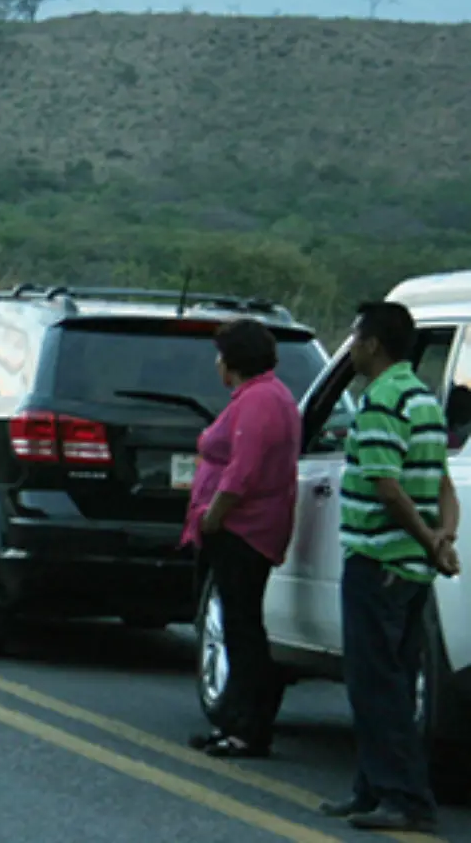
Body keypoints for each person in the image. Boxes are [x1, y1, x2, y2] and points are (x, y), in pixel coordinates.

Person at [320, 301, 461, 833]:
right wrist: (444, 536)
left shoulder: (380, 400)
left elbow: (387, 484)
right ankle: (371, 789)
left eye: (356, 338)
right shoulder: (422, 399)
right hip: (411, 568)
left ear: (374, 344)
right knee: (395, 683)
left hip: (378, 558)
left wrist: (427, 539)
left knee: (374, 684)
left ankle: (403, 798)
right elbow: (440, 481)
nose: (352, 347)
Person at [180, 319, 301, 758]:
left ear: (233, 361)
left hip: (243, 529)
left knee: (242, 627)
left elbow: (243, 470)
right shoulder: (263, 396)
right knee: (237, 624)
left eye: (220, 355)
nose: (216, 364)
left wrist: (215, 514)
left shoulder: (261, 401)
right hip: (244, 527)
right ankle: (236, 719)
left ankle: (249, 726)